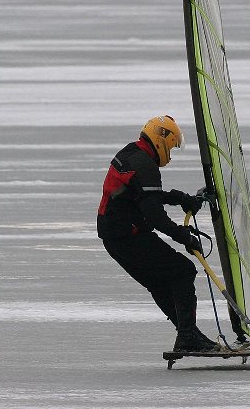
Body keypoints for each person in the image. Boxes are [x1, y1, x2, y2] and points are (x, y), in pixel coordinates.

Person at [97, 115, 219, 352]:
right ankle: (188, 337)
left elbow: (145, 196)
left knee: (160, 283)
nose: (171, 153)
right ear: (161, 139)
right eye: (172, 146)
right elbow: (155, 218)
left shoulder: (133, 153)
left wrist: (180, 199)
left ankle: (189, 335)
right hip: (127, 237)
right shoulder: (145, 165)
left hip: (115, 239)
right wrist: (184, 237)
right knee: (183, 271)